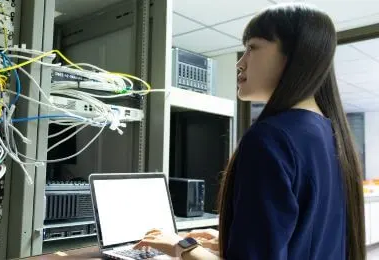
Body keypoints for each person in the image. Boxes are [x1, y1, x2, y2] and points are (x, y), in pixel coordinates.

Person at [134, 3, 366, 260]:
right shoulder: (332, 136)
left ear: (294, 54)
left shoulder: (270, 138)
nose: (240, 63)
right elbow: (305, 239)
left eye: (252, 47)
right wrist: (231, 239)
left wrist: (180, 246)